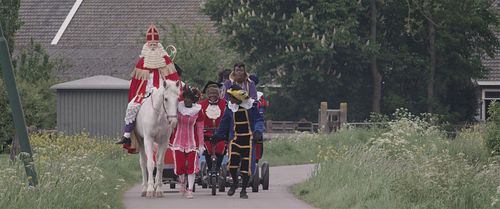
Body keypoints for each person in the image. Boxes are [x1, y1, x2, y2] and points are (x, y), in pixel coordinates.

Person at [116, 24, 180, 147]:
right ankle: (127, 135)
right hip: (145, 93)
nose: (152, 47)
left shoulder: (166, 61)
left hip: (163, 92)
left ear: (158, 44)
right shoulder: (141, 62)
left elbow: (173, 78)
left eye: (154, 45)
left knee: (175, 107)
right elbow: (136, 83)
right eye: (150, 45)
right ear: (147, 45)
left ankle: (175, 135)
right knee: (131, 106)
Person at [214, 84, 264, 199]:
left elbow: (259, 119)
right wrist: (218, 135)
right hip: (235, 139)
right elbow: (224, 123)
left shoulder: (251, 105)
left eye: (231, 97)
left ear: (238, 97)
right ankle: (235, 183)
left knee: (246, 167)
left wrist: (258, 131)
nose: (230, 99)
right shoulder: (230, 108)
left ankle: (244, 190)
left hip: (249, 140)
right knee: (232, 165)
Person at [169, 85, 205, 199]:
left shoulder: (198, 110)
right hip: (177, 141)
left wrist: (201, 144)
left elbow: (200, 128)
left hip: (192, 143)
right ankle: (182, 183)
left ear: (193, 99)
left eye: (189, 98)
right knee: (179, 167)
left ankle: (190, 189)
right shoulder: (177, 108)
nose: (187, 100)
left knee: (191, 167)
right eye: (185, 97)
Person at [199, 81, 227, 173]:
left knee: (221, 148)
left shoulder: (225, 104)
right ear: (207, 94)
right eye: (211, 93)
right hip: (206, 133)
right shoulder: (201, 105)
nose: (213, 95)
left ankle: (217, 168)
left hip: (220, 133)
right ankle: (211, 169)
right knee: (207, 149)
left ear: (219, 94)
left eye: (215, 93)